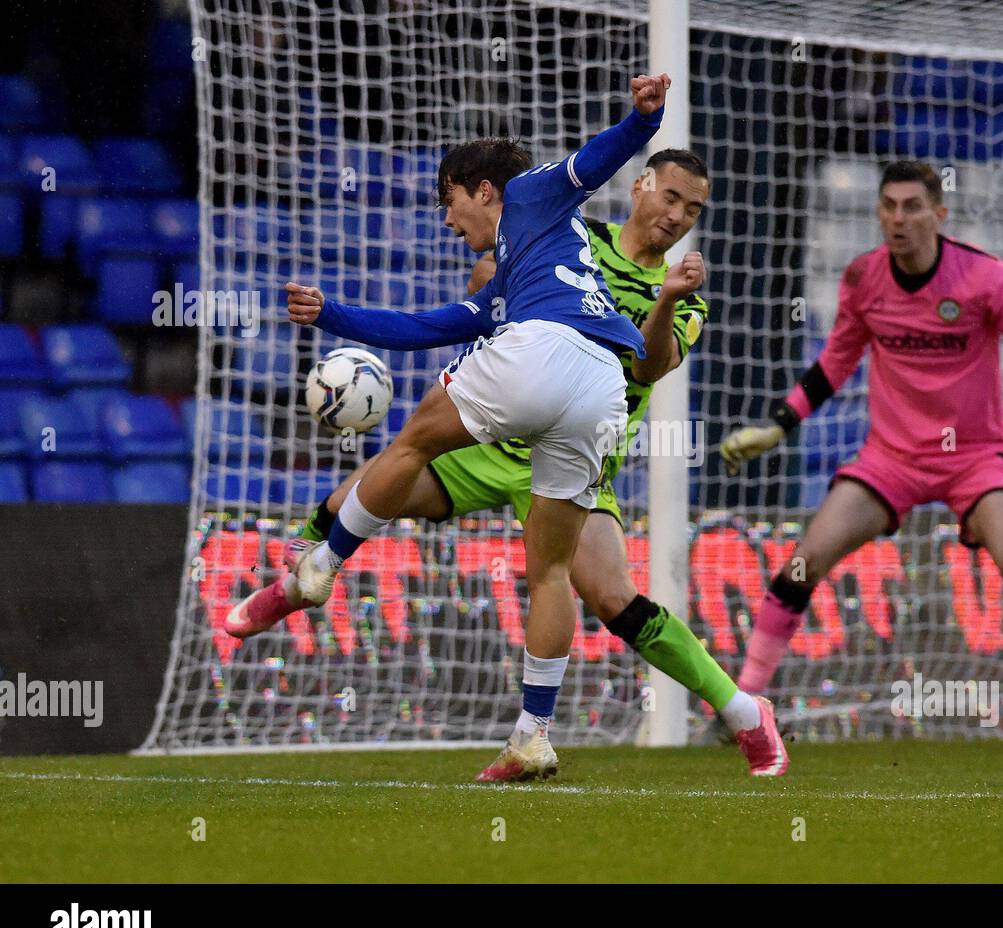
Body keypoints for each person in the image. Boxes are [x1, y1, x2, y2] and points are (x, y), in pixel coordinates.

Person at [228, 75, 684, 781]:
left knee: (412, 442)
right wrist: (331, 315)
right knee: (551, 569)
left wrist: (642, 122)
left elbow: (592, 161)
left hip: (545, 351)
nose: (448, 221)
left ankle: (318, 565)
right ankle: (532, 734)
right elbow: (427, 326)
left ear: (482, 190)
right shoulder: (520, 273)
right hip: (604, 391)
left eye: (449, 202)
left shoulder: (531, 190)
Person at [287, 148, 788, 777]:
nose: (678, 216)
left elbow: (651, 366)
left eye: (693, 209)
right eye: (671, 197)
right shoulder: (576, 235)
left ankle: (743, 712)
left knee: (613, 598)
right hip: (498, 441)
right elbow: (490, 285)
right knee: (357, 492)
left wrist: (664, 300)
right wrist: (489, 288)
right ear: (640, 187)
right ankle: (290, 575)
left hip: (579, 444)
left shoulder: (687, 295)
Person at [721, 160, 1003, 751]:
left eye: (912, 207)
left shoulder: (985, 278)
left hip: (975, 457)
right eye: (888, 206)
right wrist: (780, 425)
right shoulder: (863, 278)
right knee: (802, 562)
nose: (898, 218)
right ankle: (744, 705)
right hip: (891, 458)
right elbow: (835, 361)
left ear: (939, 214)